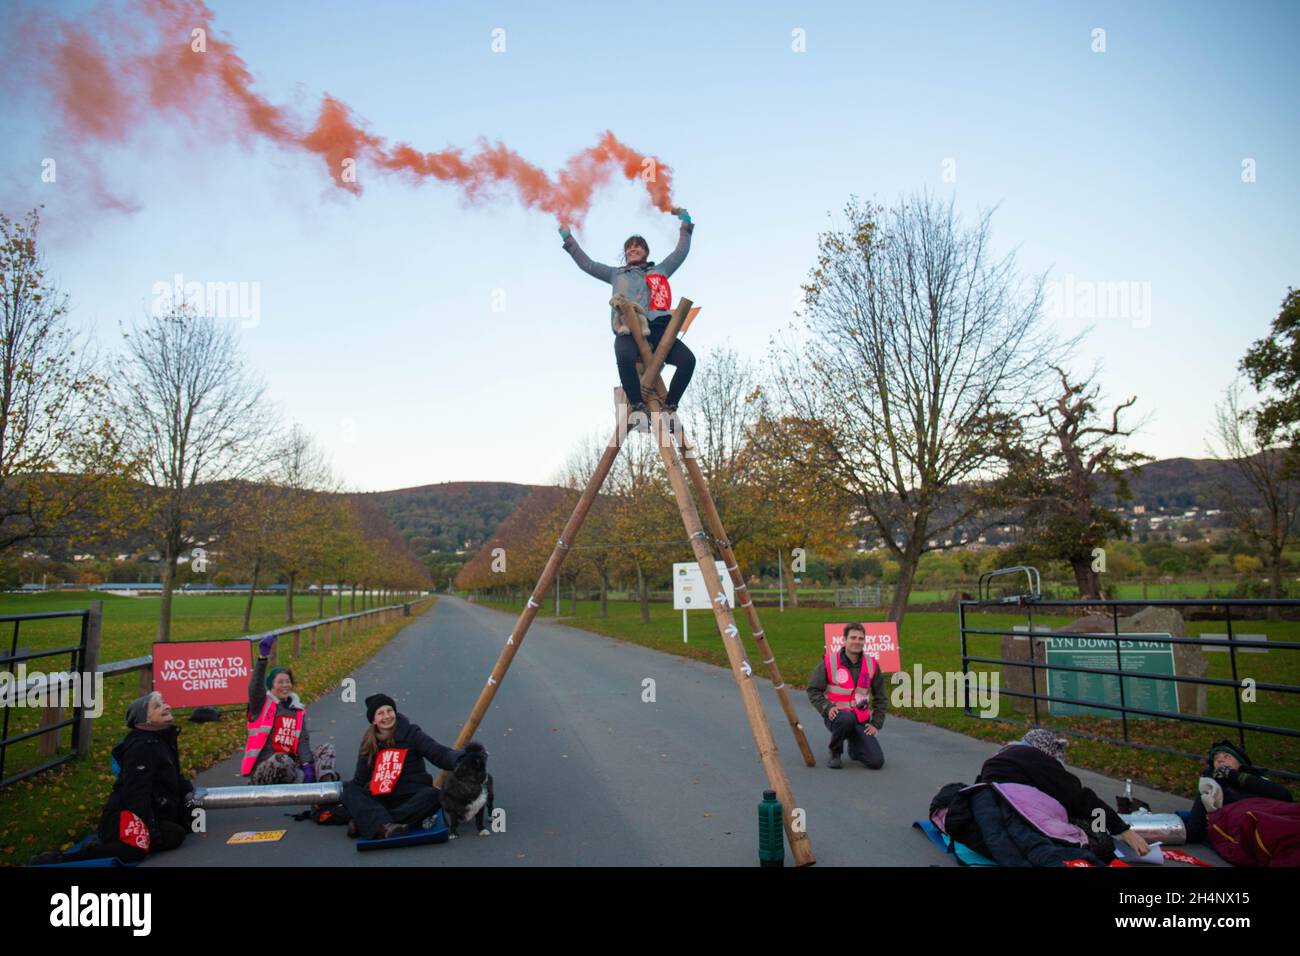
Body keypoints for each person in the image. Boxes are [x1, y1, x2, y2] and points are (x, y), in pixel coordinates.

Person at [559, 209, 697, 427]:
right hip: (628, 328)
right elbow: (588, 265)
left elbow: (680, 252)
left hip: (659, 327)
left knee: (688, 361)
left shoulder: (660, 270)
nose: (633, 249)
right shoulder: (616, 274)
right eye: (629, 247)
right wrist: (568, 237)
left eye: (638, 246)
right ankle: (637, 404)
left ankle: (670, 406)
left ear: (645, 252)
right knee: (623, 355)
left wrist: (686, 225)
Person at [30, 692, 193, 865]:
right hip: (123, 815)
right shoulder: (143, 747)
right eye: (157, 706)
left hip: (151, 810)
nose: (166, 706)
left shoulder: (163, 738)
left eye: (164, 702)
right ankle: (62, 858)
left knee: (178, 830)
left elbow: (174, 776)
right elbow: (136, 793)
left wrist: (189, 797)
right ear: (144, 719)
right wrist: (148, 830)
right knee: (139, 849)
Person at [976, 728, 1150, 859]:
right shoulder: (1036, 760)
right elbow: (1081, 800)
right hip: (1022, 819)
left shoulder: (999, 760)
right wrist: (1123, 830)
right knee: (1098, 837)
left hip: (993, 819)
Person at [341, 694, 465, 840]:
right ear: (374, 720)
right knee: (351, 792)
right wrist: (345, 793)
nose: (387, 716)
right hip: (383, 797)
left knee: (434, 795)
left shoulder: (411, 733)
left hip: (412, 795)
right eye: (381, 713)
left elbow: (437, 753)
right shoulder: (368, 744)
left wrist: (460, 759)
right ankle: (386, 825)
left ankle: (376, 823)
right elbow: (360, 780)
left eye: (389, 711)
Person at [242, 633, 335, 785]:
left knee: (327, 749)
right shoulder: (261, 705)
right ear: (272, 685)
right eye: (280, 682)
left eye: (288, 682)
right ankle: (307, 786)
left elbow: (302, 741)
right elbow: (255, 686)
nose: (285, 685)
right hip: (264, 769)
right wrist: (262, 658)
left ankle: (323, 789)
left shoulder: (297, 711)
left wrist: (308, 766)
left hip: (291, 767)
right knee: (281, 757)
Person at [806, 622, 888, 769]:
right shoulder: (829, 662)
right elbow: (813, 689)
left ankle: (854, 747)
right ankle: (835, 752)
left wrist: (876, 723)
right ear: (844, 640)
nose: (857, 641)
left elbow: (881, 697)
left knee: (876, 762)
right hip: (837, 717)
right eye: (853, 637)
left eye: (861, 638)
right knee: (846, 718)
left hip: (861, 719)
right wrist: (827, 707)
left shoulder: (872, 664)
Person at [1180, 739, 1293, 843]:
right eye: (1215, 758)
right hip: (1251, 835)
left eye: (1227, 756)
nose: (1220, 759)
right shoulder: (1212, 787)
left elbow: (1285, 796)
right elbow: (1195, 830)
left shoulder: (1256, 779)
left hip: (1276, 823)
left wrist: (1233, 775)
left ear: (1240, 762)